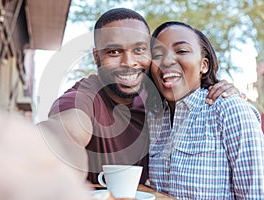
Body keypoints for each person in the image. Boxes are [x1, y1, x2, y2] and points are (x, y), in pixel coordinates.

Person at [40, 8, 240, 185]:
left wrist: (219, 87)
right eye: (114, 51)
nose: (129, 62)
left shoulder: (159, 100)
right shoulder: (83, 97)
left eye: (139, 50)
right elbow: (64, 133)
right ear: (96, 57)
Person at [147, 21, 264, 199]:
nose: (167, 60)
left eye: (181, 51)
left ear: (204, 65)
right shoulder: (153, 119)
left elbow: (255, 194)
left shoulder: (229, 110)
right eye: (157, 54)